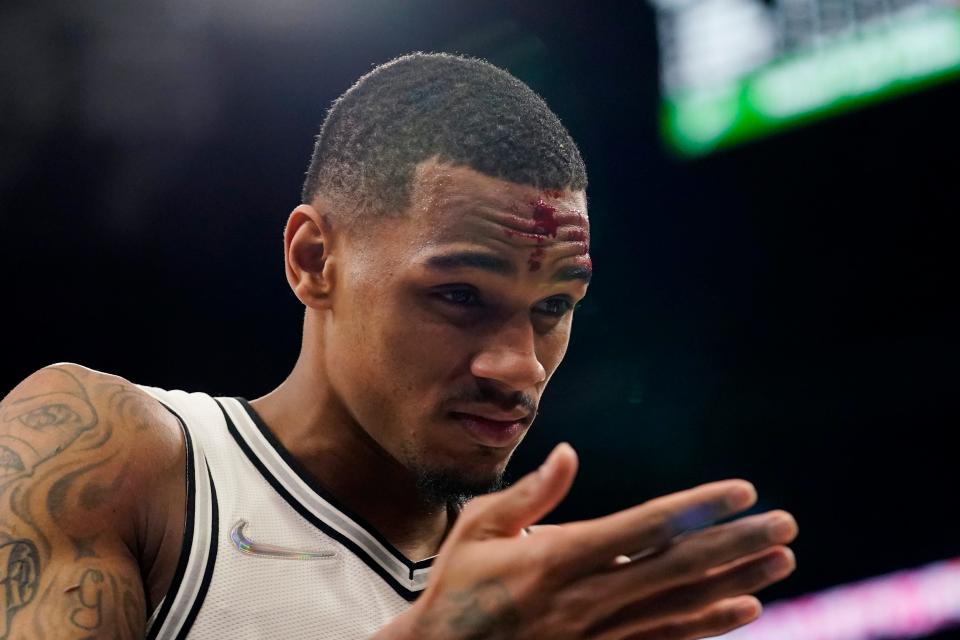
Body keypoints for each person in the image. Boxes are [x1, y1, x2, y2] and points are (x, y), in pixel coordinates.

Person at [0, 52, 797, 639]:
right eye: (459, 296)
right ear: (316, 260)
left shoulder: (568, 605)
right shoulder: (106, 453)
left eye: (554, 305)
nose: (518, 366)